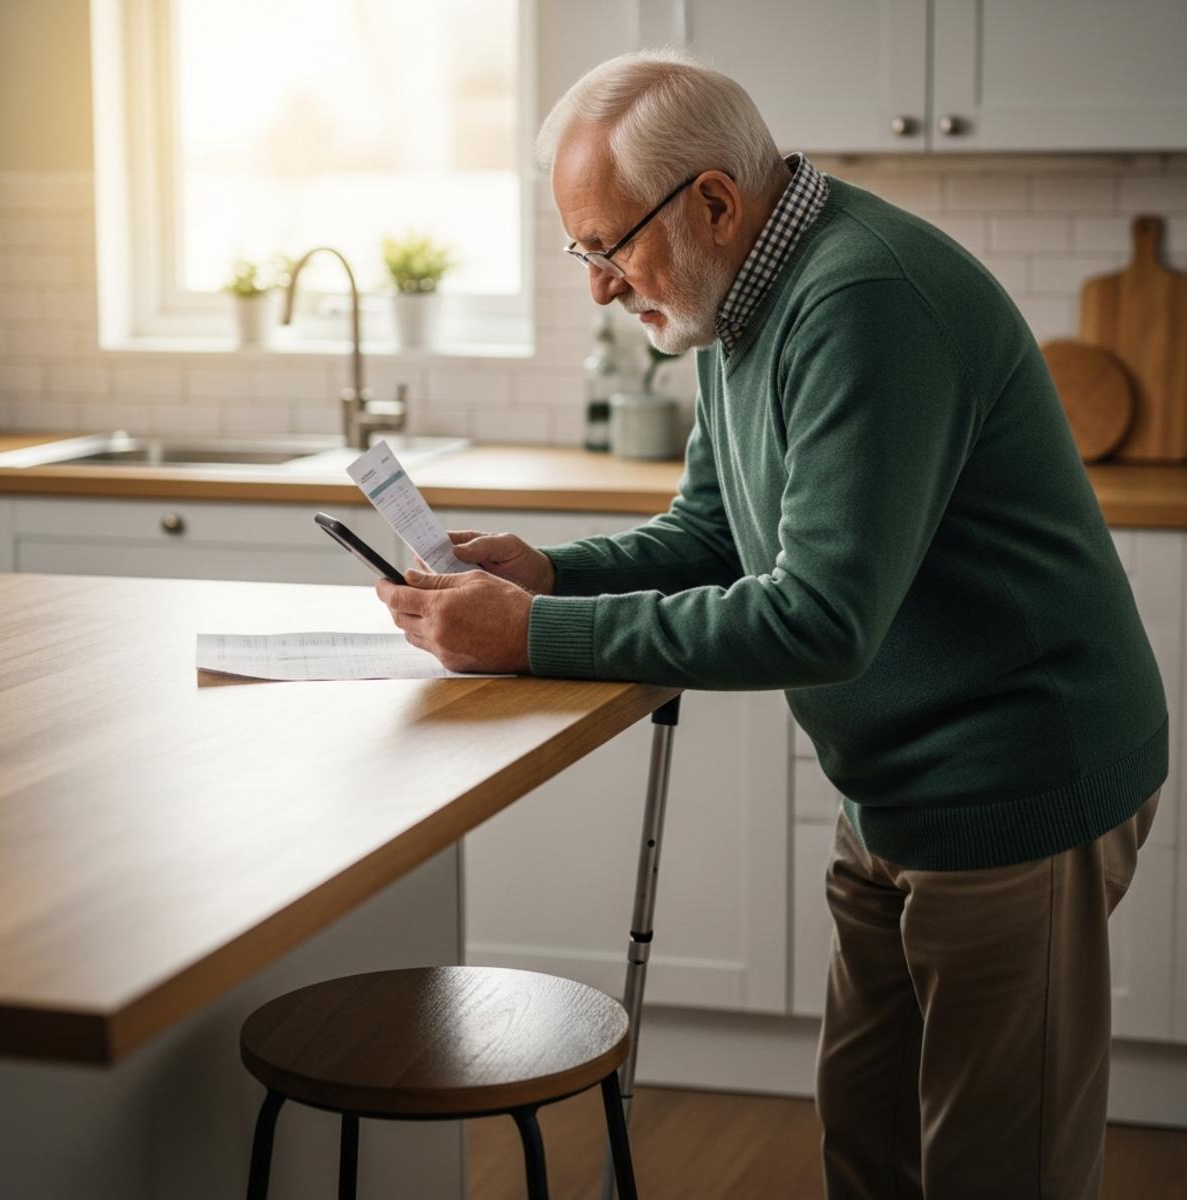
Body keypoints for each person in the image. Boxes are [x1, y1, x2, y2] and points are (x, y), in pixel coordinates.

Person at [378, 49, 1167, 1199]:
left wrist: (527, 640)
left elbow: (819, 618)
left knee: (1004, 1172)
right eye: (579, 251)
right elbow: (712, 532)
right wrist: (547, 577)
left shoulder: (862, 301)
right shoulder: (731, 293)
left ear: (712, 200)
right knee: (869, 1149)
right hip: (895, 786)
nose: (597, 284)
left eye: (609, 247)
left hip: (1018, 784)